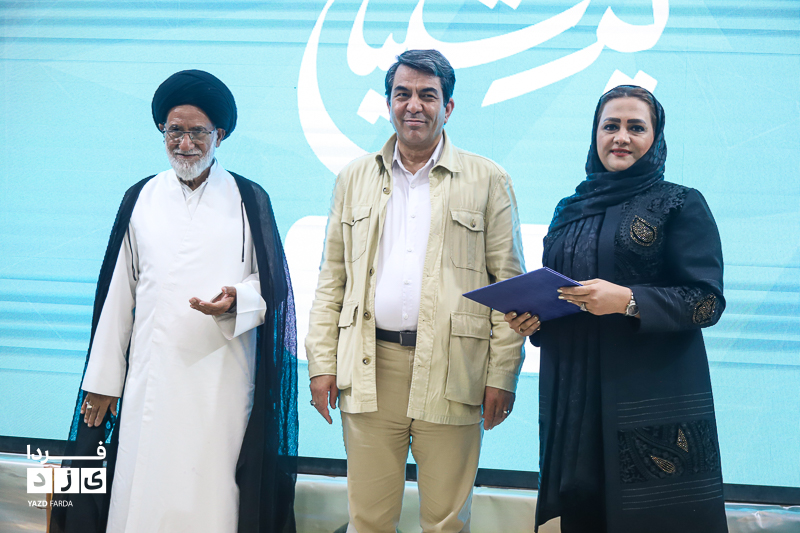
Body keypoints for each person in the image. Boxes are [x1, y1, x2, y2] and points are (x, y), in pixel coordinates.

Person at [50, 70, 298, 533]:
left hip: (223, 376)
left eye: (197, 132)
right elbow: (118, 295)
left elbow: (274, 287)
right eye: (174, 131)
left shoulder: (249, 198)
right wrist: (103, 381)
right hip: (151, 374)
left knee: (212, 487)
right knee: (143, 481)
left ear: (219, 134)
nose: (185, 144)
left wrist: (236, 300)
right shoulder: (141, 196)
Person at [305, 49, 525, 533]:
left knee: (446, 523)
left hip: (454, 369)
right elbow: (331, 280)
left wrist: (503, 374)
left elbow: (509, 287)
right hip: (370, 368)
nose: (414, 105)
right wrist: (321, 364)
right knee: (368, 520)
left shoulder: (488, 180)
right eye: (402, 94)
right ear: (388, 103)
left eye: (428, 95)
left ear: (448, 108)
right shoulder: (353, 178)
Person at [506, 85, 728, 532]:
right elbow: (563, 297)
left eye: (635, 127)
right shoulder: (570, 211)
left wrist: (628, 300)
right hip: (580, 404)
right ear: (596, 135)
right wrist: (534, 321)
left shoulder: (679, 203)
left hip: (650, 403)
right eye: (610, 126)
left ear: (655, 138)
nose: (621, 137)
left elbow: (706, 301)